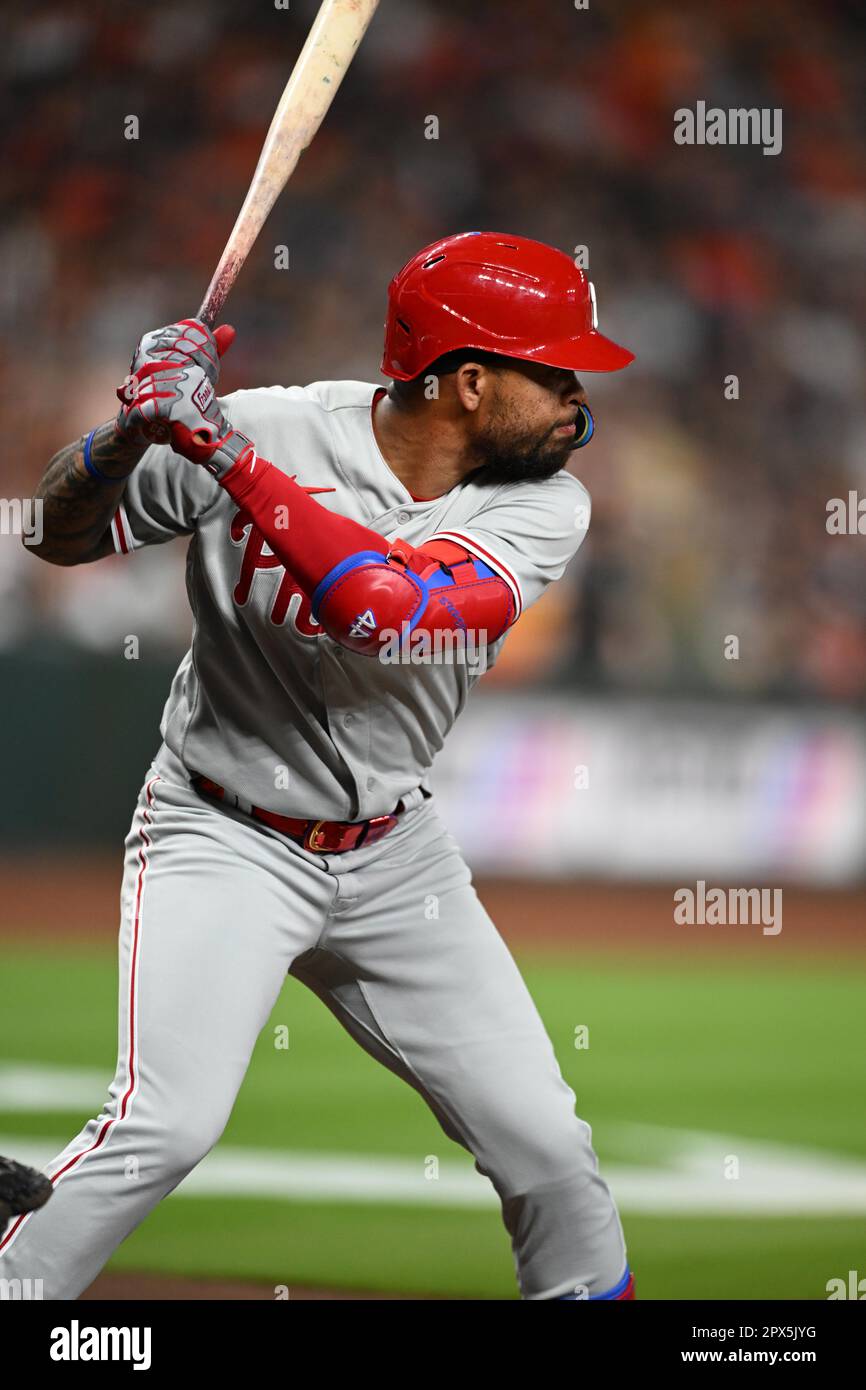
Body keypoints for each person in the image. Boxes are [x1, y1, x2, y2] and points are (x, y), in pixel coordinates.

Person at [2, 231, 636, 1301]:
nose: (575, 397)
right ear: (468, 383)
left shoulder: (540, 503)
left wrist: (220, 454)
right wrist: (126, 434)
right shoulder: (267, 426)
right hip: (222, 833)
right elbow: (57, 535)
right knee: (163, 1124)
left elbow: (387, 614)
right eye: (553, 369)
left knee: (547, 1151)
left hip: (397, 859)